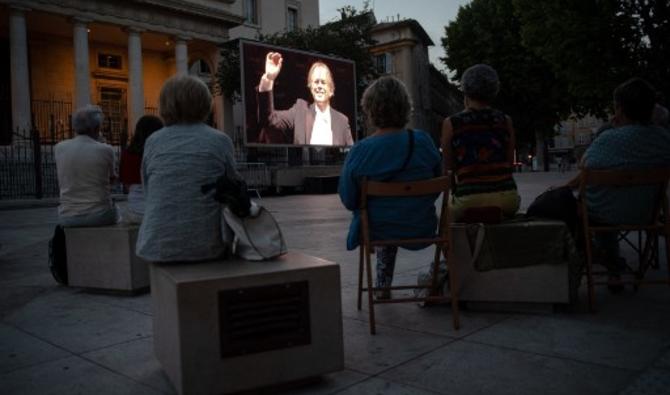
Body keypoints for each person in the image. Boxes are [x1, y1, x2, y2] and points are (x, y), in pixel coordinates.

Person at [339, 76, 442, 298]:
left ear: (370, 110)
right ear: (405, 108)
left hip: (377, 231)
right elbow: (438, 182)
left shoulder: (360, 151)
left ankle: (382, 286)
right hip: (421, 227)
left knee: (379, 215)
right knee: (393, 212)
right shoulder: (423, 141)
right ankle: (383, 285)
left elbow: (348, 199)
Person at [568, 78, 670, 288]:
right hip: (646, 214)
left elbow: (585, 165)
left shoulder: (607, 139)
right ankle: (614, 264)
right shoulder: (663, 139)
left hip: (602, 214)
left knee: (574, 208)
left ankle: (605, 260)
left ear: (619, 108)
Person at [136, 75, 241, 262]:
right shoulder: (220, 140)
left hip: (156, 245)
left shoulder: (153, 141)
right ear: (204, 102)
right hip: (207, 246)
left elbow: (148, 189)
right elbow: (233, 186)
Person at [441, 64, 520, 221]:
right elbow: (509, 164)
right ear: (494, 91)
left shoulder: (451, 123)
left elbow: (449, 169)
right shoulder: (505, 121)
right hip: (507, 199)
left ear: (465, 91)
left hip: (468, 200)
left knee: (447, 216)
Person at [257, 52, 354, 146]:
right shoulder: (300, 110)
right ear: (311, 88)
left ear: (331, 90)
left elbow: (351, 154)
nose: (319, 86)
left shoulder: (342, 121)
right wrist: (269, 79)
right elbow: (269, 120)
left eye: (323, 82)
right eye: (316, 82)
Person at [54, 105, 118, 227]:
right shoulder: (106, 149)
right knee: (118, 212)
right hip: (100, 214)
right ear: (96, 128)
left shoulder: (59, 148)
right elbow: (112, 179)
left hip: (67, 216)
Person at [119, 115, 164, 224]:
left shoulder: (127, 154)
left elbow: (126, 185)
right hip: (157, 212)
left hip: (134, 212)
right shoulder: (160, 154)